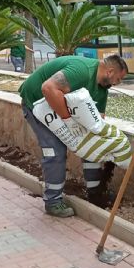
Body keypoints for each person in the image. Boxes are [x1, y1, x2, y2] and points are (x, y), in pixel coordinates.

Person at [19, 54, 128, 217]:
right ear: (110, 71)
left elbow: (97, 122)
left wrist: (103, 143)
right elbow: (48, 88)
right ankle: (53, 202)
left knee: (91, 142)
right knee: (55, 150)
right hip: (36, 104)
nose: (117, 84)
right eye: (118, 79)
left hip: (59, 107)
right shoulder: (81, 70)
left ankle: (95, 194)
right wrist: (67, 119)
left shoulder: (102, 90)